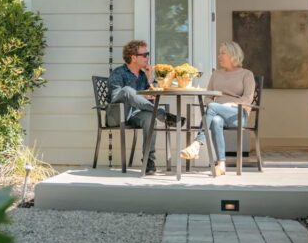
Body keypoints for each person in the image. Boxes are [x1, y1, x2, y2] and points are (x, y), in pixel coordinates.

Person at [180, 40, 255, 176]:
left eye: (222, 53)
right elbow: (208, 97)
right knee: (215, 121)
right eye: (219, 53)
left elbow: (248, 98)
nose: (219, 56)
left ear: (233, 55)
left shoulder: (247, 74)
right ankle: (221, 164)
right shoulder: (216, 74)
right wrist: (213, 106)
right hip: (217, 113)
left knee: (214, 107)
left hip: (237, 115)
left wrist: (230, 104)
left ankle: (197, 144)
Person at [107, 40, 180, 176]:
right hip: (117, 115)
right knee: (127, 90)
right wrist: (133, 95)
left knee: (150, 117)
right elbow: (115, 98)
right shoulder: (119, 73)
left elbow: (150, 97)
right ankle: (163, 115)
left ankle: (148, 161)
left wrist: (149, 78)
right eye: (145, 54)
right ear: (133, 57)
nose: (148, 57)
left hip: (135, 116)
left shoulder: (142, 75)